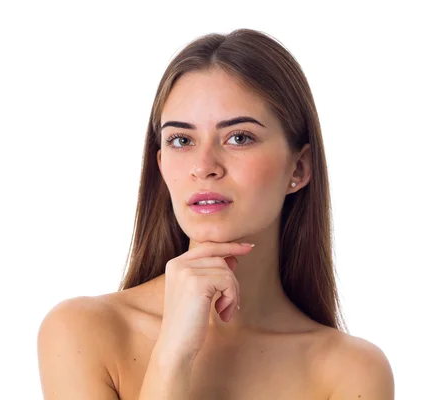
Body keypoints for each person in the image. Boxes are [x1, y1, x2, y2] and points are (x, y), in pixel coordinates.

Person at [37, 28, 394, 399]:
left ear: (299, 168)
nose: (203, 166)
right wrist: (173, 352)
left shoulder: (352, 371)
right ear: (161, 166)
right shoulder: (81, 332)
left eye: (239, 137)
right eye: (182, 140)